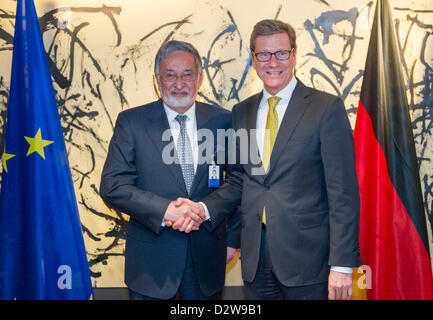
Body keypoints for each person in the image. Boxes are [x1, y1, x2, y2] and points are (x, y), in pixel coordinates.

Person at [175, 19, 361, 300]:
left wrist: (342, 264)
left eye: (281, 53)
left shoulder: (326, 108)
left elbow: (343, 193)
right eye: (264, 54)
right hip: (255, 261)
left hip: (309, 262)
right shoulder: (242, 112)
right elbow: (238, 180)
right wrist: (203, 208)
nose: (273, 62)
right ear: (253, 59)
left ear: (294, 55)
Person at [100, 40, 240, 300]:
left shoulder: (224, 121)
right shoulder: (131, 122)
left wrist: (232, 239)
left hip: (207, 260)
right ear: (157, 79)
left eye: (187, 75)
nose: (179, 84)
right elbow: (113, 186)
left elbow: (238, 181)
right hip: (151, 263)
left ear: (199, 78)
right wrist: (167, 210)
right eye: (170, 75)